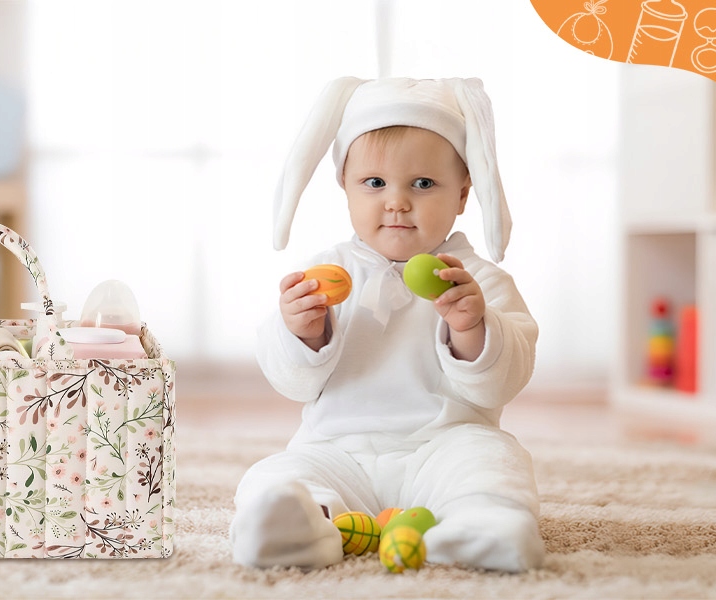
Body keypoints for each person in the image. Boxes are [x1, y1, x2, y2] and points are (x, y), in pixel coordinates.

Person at [230, 77, 543, 572]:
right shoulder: (324, 274)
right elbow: (291, 381)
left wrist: (472, 328)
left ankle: (483, 524)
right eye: (375, 183)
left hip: (444, 444)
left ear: (463, 194)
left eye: (423, 184)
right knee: (273, 474)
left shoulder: (477, 282)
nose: (396, 201)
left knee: (495, 461)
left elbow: (504, 381)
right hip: (337, 449)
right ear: (345, 188)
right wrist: (303, 333)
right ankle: (301, 529)